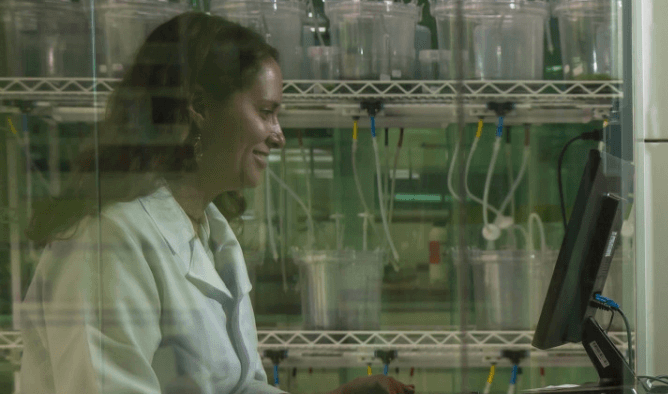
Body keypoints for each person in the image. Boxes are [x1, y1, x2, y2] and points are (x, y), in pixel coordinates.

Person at [17, 13, 413, 394]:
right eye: (266, 112)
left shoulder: (212, 234)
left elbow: (237, 388)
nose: (279, 137)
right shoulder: (108, 244)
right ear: (200, 109)